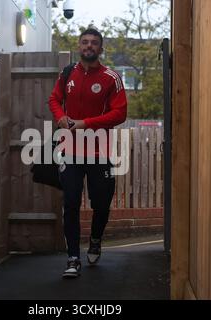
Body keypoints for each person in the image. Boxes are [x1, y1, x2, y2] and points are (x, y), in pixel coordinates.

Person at [49, 28, 127, 278]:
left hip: (99, 151)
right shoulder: (67, 73)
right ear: (79, 46)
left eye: (94, 43)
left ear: (100, 49)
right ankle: (73, 258)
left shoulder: (111, 77)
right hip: (70, 151)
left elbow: (120, 113)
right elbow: (54, 99)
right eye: (85, 42)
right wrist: (60, 117)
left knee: (101, 205)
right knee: (70, 203)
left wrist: (85, 123)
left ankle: (95, 239)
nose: (89, 46)